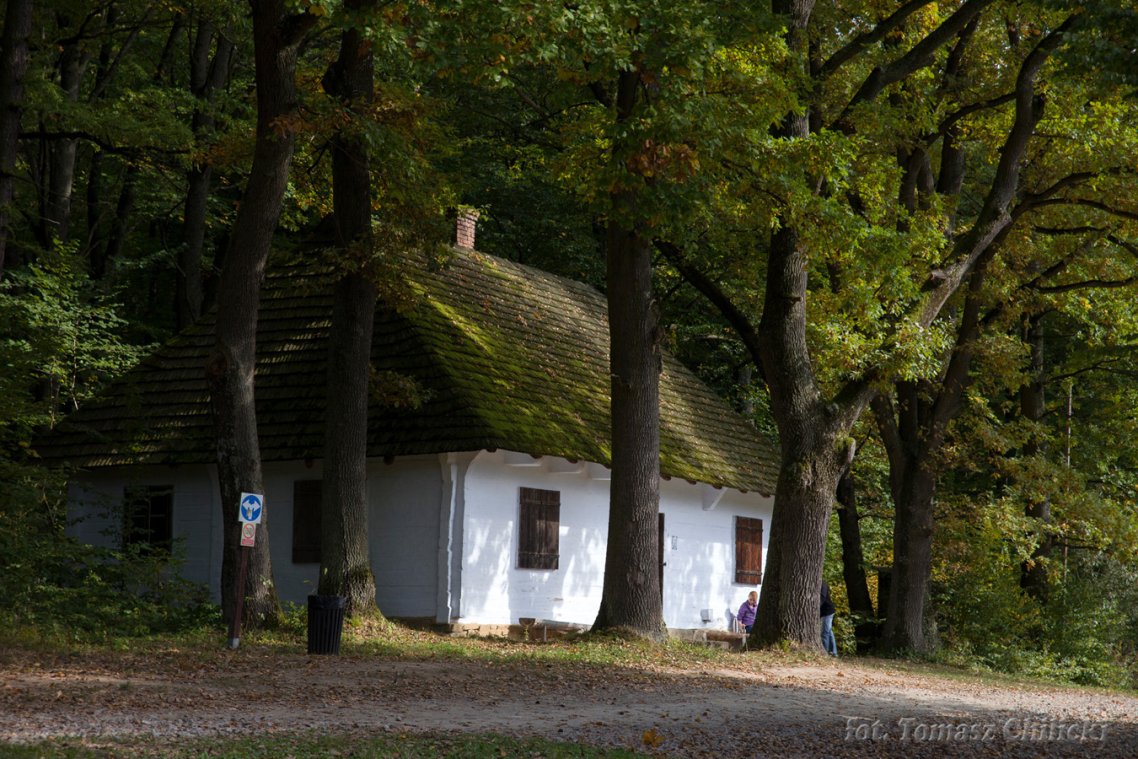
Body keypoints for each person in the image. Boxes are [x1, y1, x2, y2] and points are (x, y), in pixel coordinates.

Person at [820, 580, 838, 656]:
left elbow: (823, 597)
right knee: (829, 631)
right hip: (826, 611)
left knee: (825, 632)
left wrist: (815, 607)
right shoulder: (820, 582)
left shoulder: (822, 583)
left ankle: (825, 652)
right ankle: (834, 652)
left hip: (827, 611)